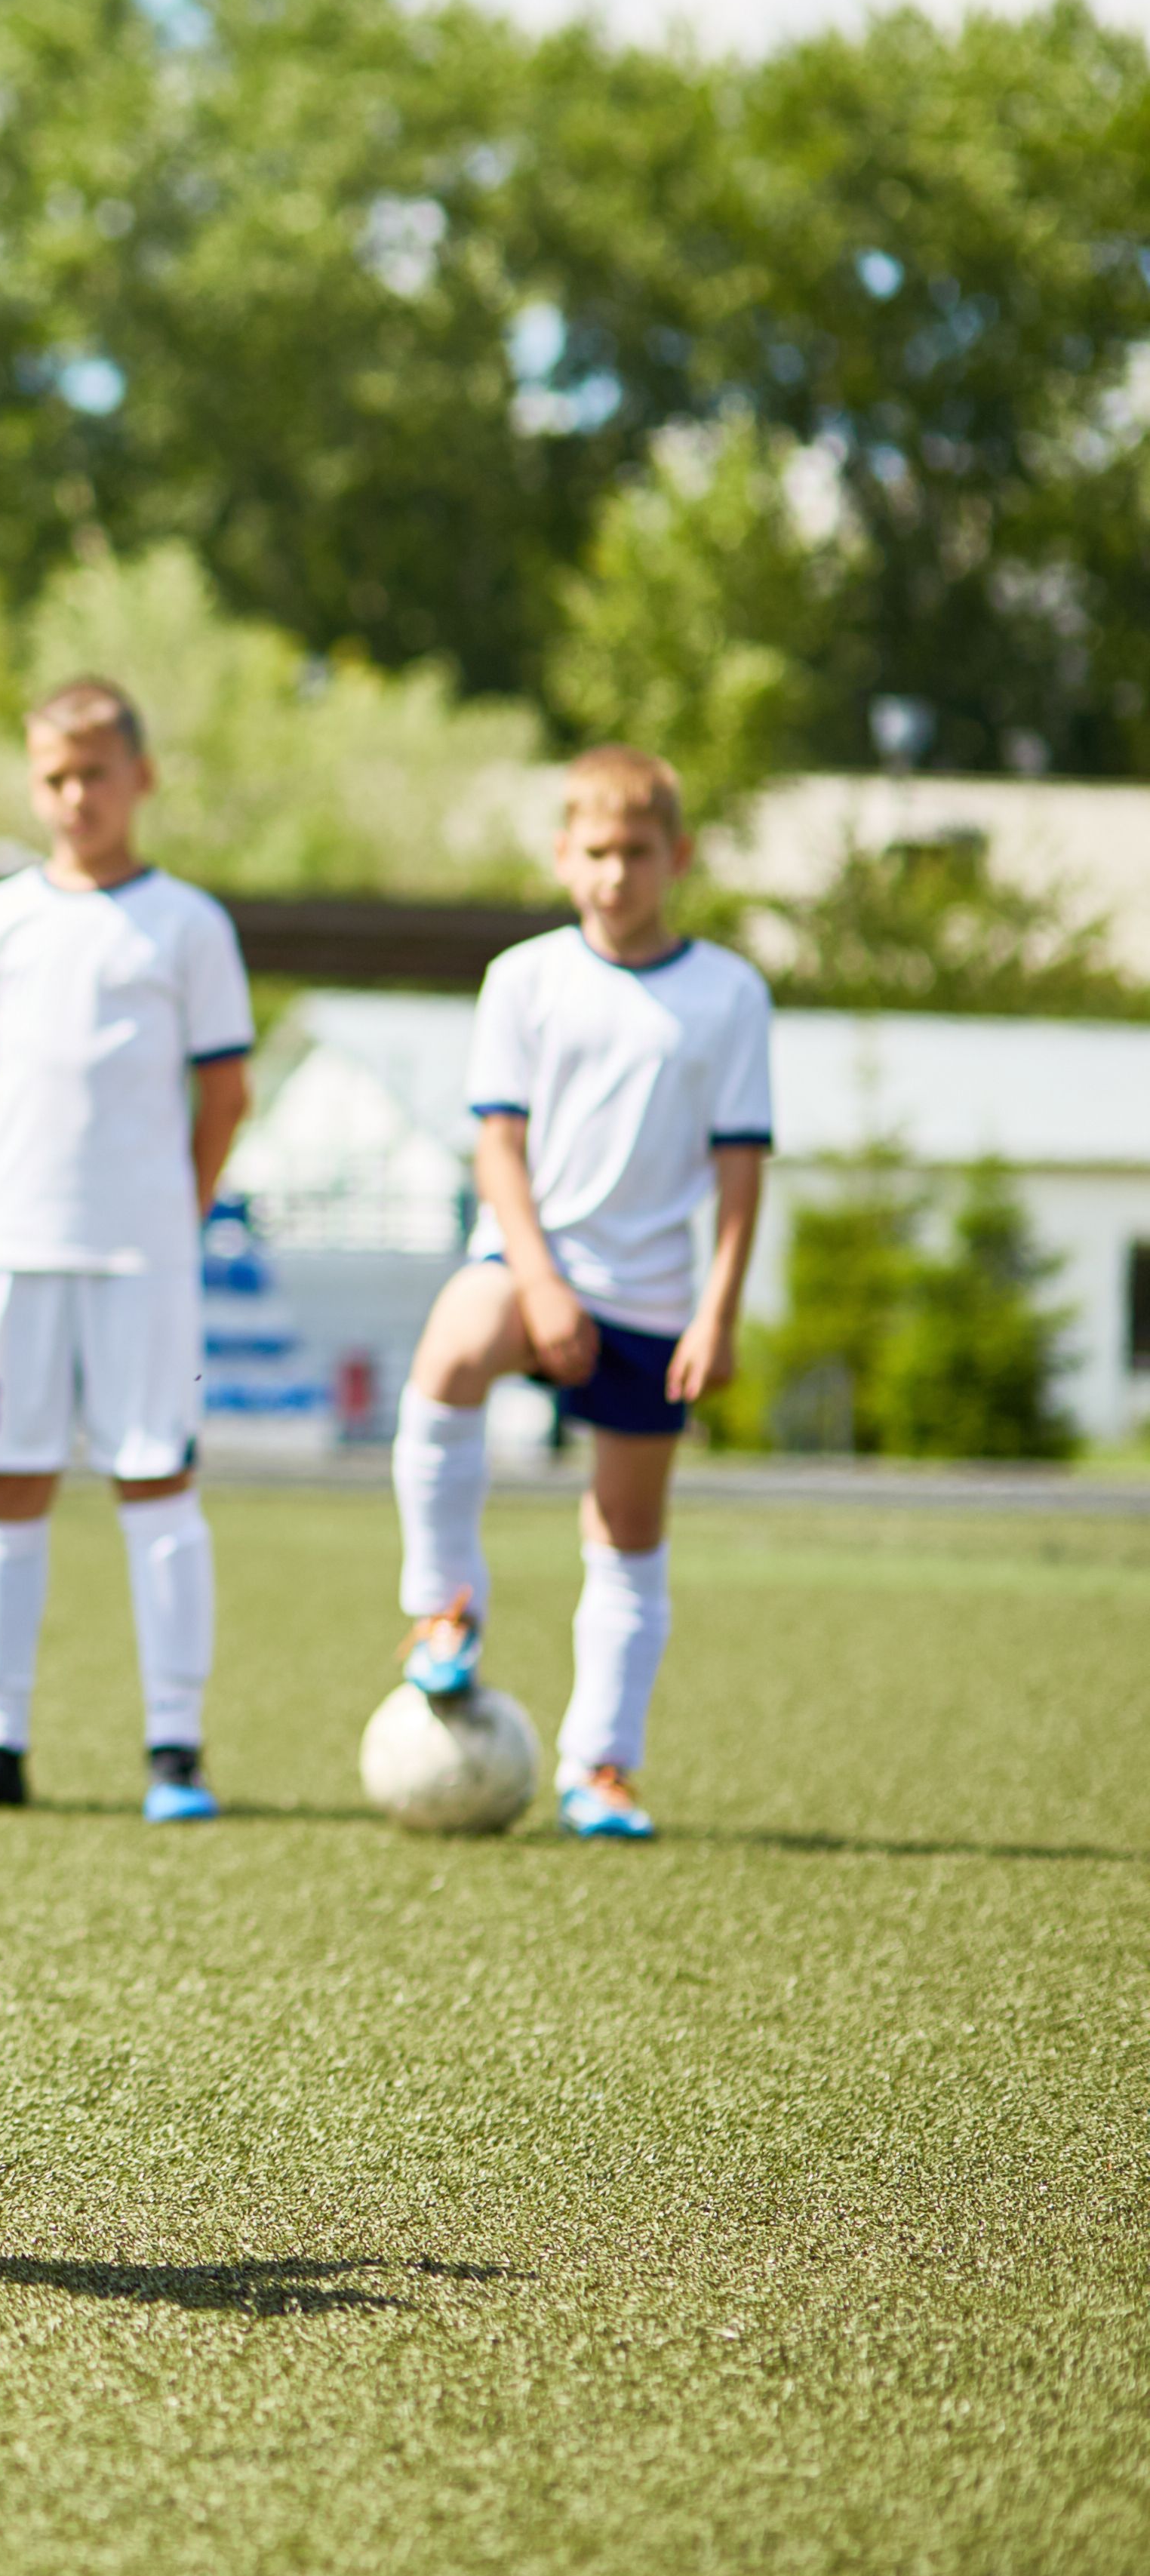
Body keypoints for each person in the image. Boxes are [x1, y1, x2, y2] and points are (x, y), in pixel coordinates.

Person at [0, 678, 252, 1823]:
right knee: (8, 1487)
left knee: (157, 1483)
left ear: (141, 778)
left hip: (145, 1260)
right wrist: (14, 1194)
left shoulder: (189, 924)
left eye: (97, 773)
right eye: (55, 777)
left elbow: (226, 1091)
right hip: (19, 1254)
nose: (76, 796)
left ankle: (175, 1750)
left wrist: (172, 1216)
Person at [388, 746, 769, 1839]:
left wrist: (718, 1309)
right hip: (532, 1264)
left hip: (654, 1299)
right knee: (455, 1346)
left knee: (628, 1531)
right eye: (595, 853)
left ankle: (600, 1769)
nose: (615, 875)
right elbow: (495, 1147)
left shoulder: (729, 993)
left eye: (637, 854)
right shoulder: (525, 978)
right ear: (563, 856)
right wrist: (544, 1284)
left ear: (678, 857)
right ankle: (443, 1607)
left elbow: (742, 1167)